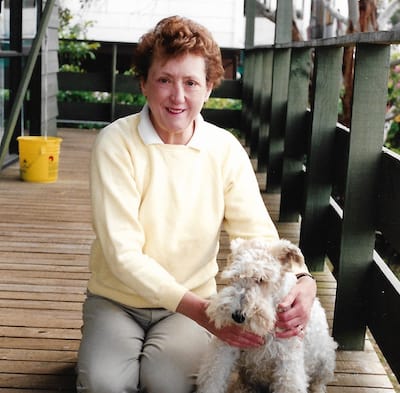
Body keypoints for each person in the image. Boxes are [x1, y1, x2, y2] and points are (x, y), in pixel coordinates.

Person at [76, 15, 317, 393]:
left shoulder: (224, 149)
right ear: (143, 83)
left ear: (208, 88)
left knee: (169, 384)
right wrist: (203, 314)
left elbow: (257, 235)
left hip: (192, 303)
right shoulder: (115, 143)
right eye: (164, 80)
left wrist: (303, 280)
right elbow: (122, 254)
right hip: (118, 299)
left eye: (191, 82)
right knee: (104, 384)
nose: (178, 96)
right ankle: (104, 342)